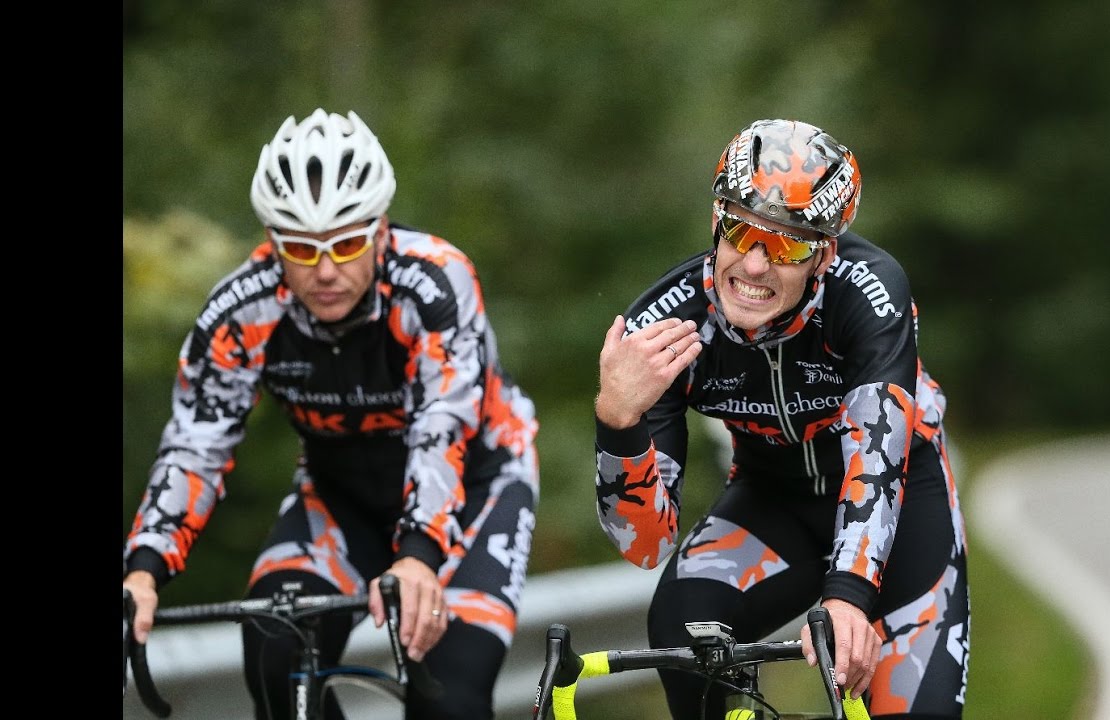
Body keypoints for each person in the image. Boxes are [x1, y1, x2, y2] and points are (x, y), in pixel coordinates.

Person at [122, 108, 540, 720]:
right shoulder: (243, 311)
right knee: (272, 657)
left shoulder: (433, 283)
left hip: (474, 489)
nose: (324, 271)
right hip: (338, 499)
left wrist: (421, 555)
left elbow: (441, 427)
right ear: (271, 241)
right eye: (299, 246)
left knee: (449, 699)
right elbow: (196, 446)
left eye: (345, 243)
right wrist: (144, 569)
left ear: (379, 229)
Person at [593, 118, 969, 719]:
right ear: (717, 224)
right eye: (742, 232)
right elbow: (644, 544)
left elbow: (876, 461)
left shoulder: (869, 294)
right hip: (773, 499)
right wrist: (618, 420)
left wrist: (849, 594)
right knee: (678, 629)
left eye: (789, 244)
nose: (757, 265)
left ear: (824, 253)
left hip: (899, 506)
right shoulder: (668, 329)